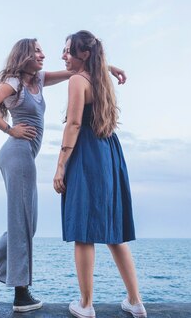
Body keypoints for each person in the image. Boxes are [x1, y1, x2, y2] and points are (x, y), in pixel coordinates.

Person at [0, 38, 126, 313]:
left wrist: (107, 67)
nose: (43, 54)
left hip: (24, 156)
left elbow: (79, 71)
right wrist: (9, 129)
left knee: (26, 223)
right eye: (37, 50)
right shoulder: (14, 82)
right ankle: (20, 293)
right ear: (24, 55)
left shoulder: (38, 79)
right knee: (23, 223)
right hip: (17, 153)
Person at [53, 30, 147, 318]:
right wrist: (108, 66)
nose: (63, 55)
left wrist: (60, 165)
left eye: (68, 51)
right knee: (114, 233)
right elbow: (94, 67)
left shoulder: (77, 81)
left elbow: (74, 124)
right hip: (109, 153)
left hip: (86, 154)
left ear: (83, 54)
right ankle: (136, 301)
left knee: (83, 231)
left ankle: (85, 304)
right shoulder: (101, 79)